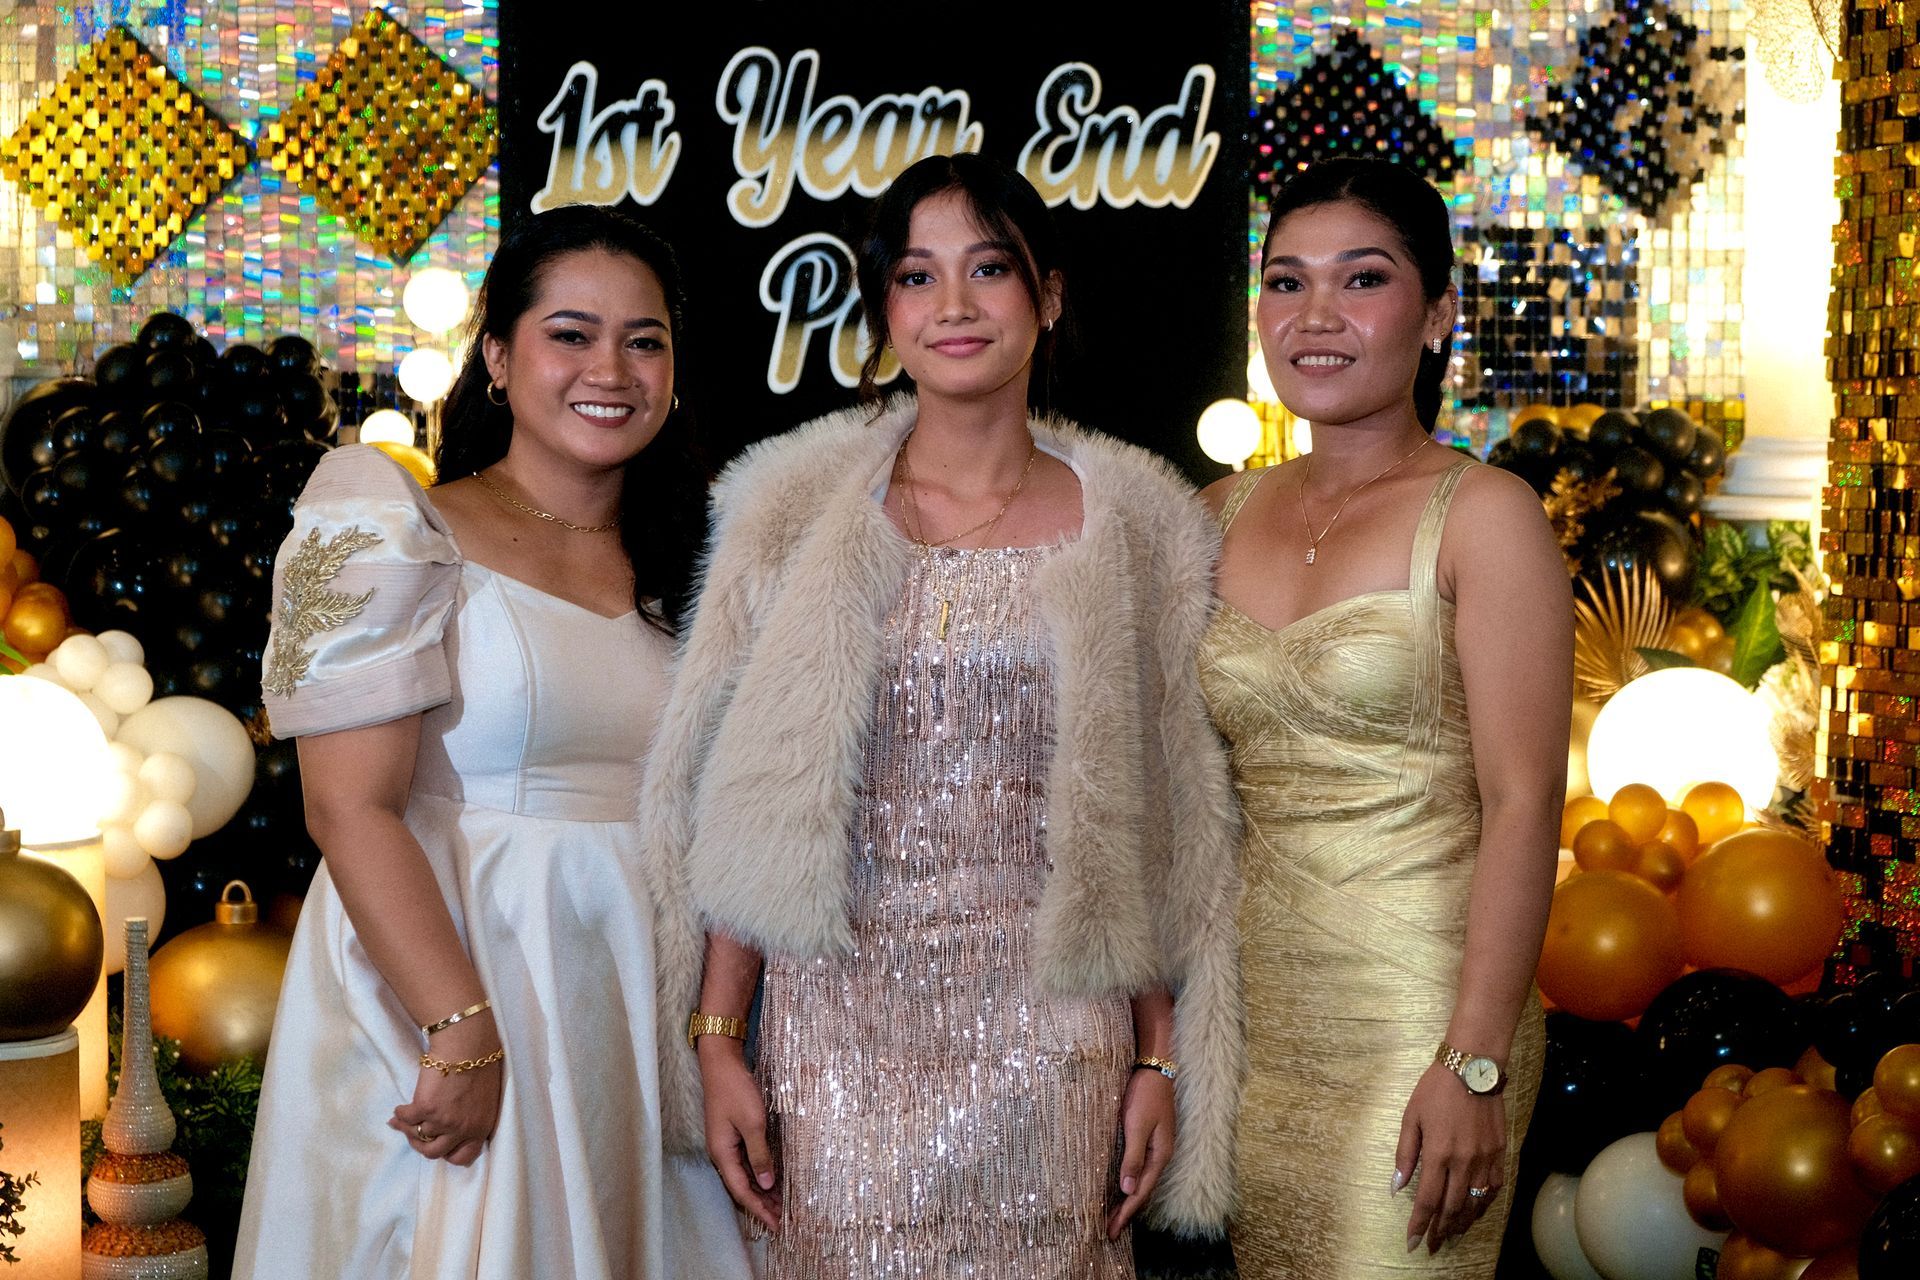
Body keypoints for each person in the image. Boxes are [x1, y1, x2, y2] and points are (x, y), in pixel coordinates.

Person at [640, 153, 1243, 1279]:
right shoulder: (796, 509)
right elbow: (751, 797)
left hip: (1056, 1030)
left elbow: (1155, 810)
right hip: (834, 1027)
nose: (954, 306)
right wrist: (720, 1037)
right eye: (917, 277)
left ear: (1047, 294)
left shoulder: (1139, 522)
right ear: (884, 309)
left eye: (989, 270)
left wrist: (1159, 1055)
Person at [234, 205, 753, 1280]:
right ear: (500, 357)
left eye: (643, 339)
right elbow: (347, 805)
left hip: (628, 987)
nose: (609, 366)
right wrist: (458, 1024)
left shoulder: (699, 555)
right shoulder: (395, 524)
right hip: (459, 967)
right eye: (571, 332)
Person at [1198, 157, 1570, 1275]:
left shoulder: (1486, 516)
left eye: (1362, 280)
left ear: (1439, 310)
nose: (1315, 317)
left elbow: (1525, 800)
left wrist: (1474, 1059)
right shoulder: (1213, 512)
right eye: (1285, 282)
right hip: (1256, 1023)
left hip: (1425, 1012)